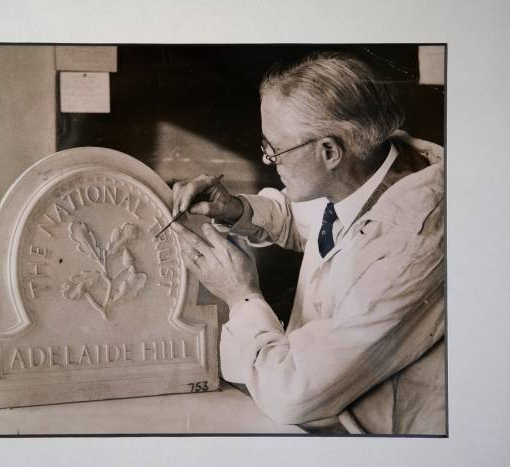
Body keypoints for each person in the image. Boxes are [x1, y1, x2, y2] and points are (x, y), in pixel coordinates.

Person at [169, 52, 445, 435]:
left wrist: (242, 297)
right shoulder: (370, 165)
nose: (269, 161)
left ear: (329, 151)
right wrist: (236, 210)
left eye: (275, 150)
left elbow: (292, 394)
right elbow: (306, 217)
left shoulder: (409, 248)